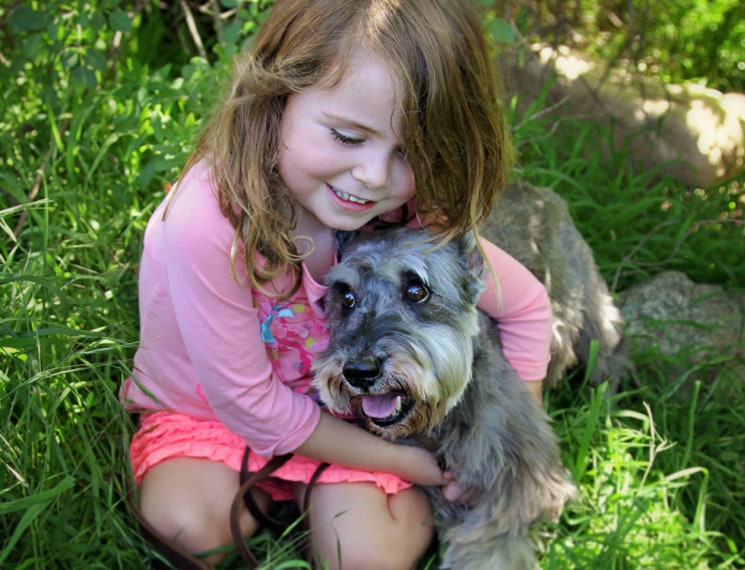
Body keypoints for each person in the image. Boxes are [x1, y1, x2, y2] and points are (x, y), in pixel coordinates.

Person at [121, 0, 552, 567]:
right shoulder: (208, 221)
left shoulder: (410, 212)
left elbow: (526, 307)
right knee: (186, 531)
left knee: (366, 559)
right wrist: (415, 465)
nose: (373, 176)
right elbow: (249, 404)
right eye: (348, 137)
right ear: (277, 97)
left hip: (352, 422)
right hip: (212, 415)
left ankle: (311, 500)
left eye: (409, 152)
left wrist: (500, 438)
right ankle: (278, 497)